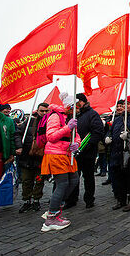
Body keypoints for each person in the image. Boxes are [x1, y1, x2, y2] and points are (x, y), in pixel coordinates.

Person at [40, 93, 80, 231]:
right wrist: (67, 128)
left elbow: (77, 136)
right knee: (62, 184)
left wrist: (77, 144)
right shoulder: (55, 116)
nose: (79, 109)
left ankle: (56, 207)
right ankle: (51, 218)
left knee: (74, 180)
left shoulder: (70, 118)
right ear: (70, 106)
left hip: (68, 154)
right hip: (56, 154)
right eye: (76, 106)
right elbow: (51, 136)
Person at [65, 93, 104, 209]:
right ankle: (72, 199)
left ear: (83, 102)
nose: (76, 105)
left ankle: (89, 199)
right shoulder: (72, 115)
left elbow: (98, 131)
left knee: (88, 177)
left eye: (78, 102)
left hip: (87, 152)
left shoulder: (92, 114)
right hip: (73, 152)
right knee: (73, 176)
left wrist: (88, 145)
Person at [15, 102, 49, 213]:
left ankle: (36, 201)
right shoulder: (29, 121)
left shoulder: (50, 122)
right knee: (26, 181)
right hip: (27, 156)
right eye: (42, 111)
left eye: (46, 111)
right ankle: (26, 201)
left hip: (41, 158)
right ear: (37, 111)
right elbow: (18, 134)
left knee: (39, 181)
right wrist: (19, 146)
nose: (43, 113)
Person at [102, 99, 125, 186]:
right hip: (110, 144)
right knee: (110, 163)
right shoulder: (111, 116)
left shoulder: (126, 117)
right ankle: (110, 178)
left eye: (121, 106)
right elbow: (106, 130)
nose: (119, 108)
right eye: (117, 106)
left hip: (121, 145)